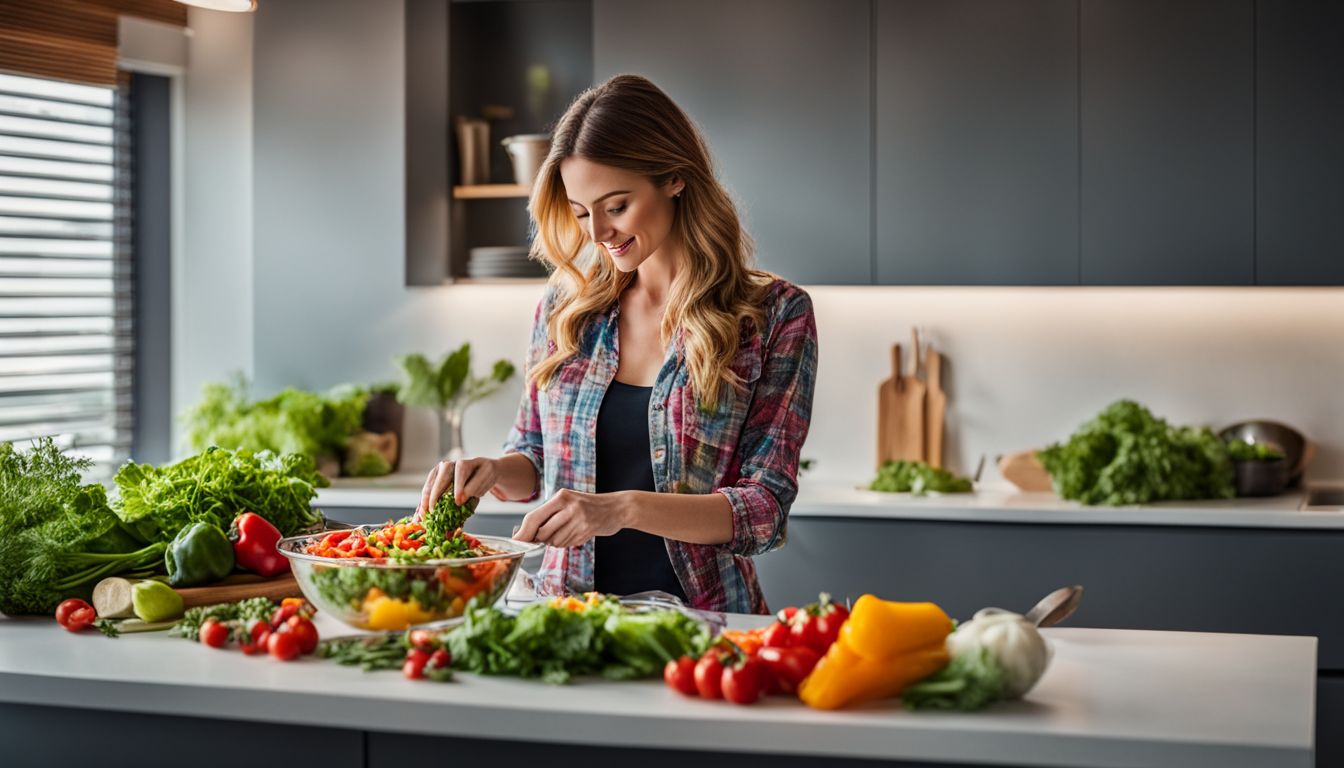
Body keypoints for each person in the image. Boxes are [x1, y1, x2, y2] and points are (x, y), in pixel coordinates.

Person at [416, 74, 817, 614]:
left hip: (704, 623)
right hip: (565, 620)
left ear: (674, 177)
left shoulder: (774, 315)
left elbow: (764, 510)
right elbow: (535, 456)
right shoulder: (567, 306)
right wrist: (490, 471)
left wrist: (620, 509)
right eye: (582, 213)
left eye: (617, 206)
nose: (598, 233)